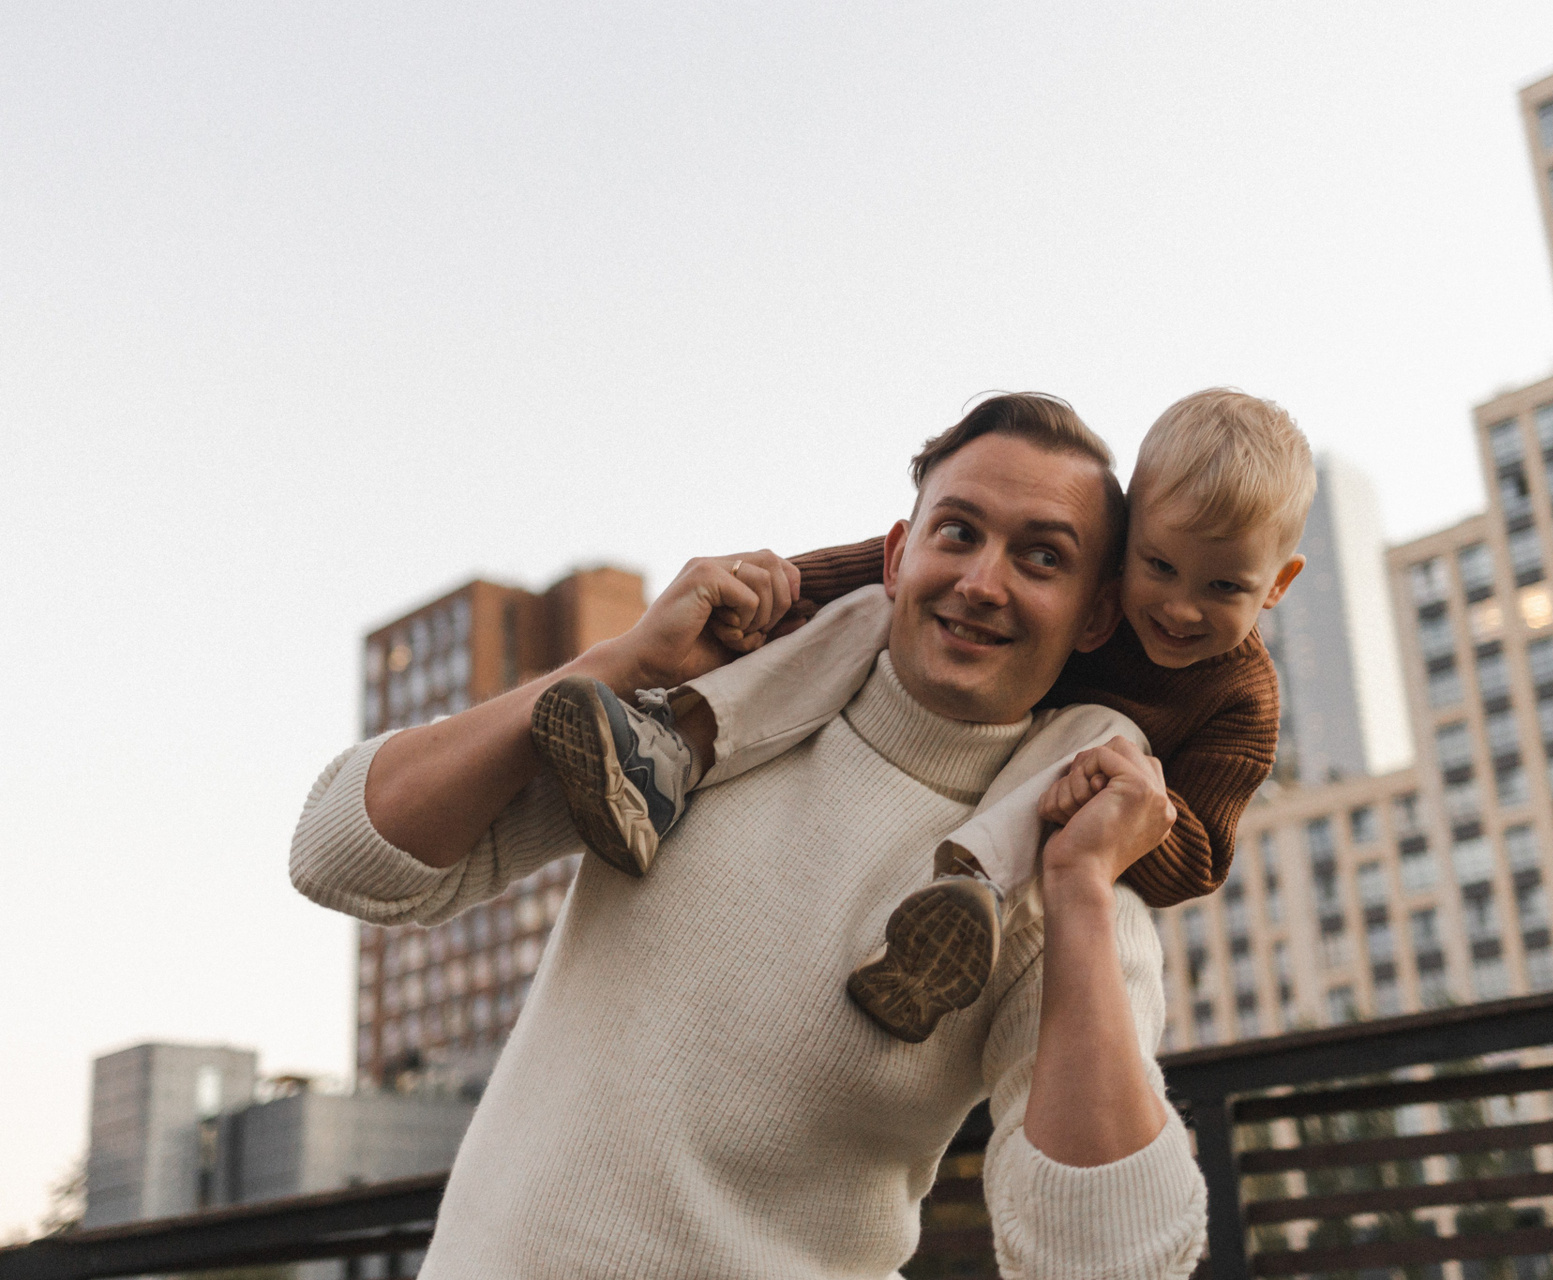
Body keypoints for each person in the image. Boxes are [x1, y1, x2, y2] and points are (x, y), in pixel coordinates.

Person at [290, 393, 1209, 1278]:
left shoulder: (1059, 875)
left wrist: (1081, 887)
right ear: (899, 557)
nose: (982, 582)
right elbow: (338, 853)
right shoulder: (685, 734)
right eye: (958, 532)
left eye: (1042, 558)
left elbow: (1111, 1262)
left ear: (1097, 615)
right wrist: (622, 661)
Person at [533, 388, 1313, 1042]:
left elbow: (1205, 856)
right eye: (1159, 566)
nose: (1178, 608)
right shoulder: (1055, 576)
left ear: (1278, 584)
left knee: (1111, 738)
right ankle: (667, 754)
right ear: (1128, 543)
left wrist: (1134, 810)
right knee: (877, 609)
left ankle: (955, 923)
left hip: (1045, 804)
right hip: (958, 721)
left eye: (1224, 588)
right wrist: (776, 586)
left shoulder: (1242, 702)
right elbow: (888, 570)